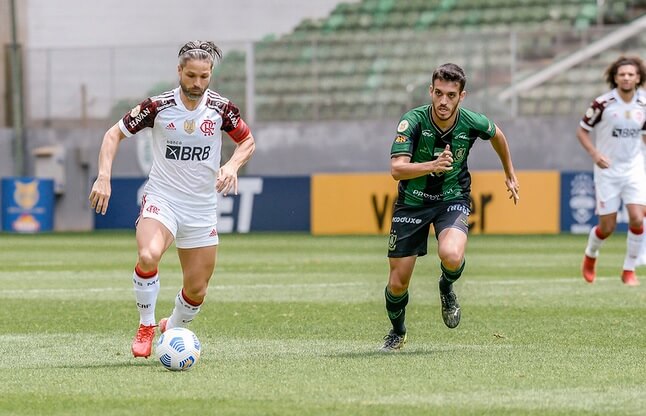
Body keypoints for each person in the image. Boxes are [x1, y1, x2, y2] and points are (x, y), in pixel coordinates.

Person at [89, 40, 255, 358]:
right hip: (162, 198)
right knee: (149, 255)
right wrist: (103, 176)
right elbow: (113, 134)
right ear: (179, 71)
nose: (197, 83)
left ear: (210, 74)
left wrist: (232, 164)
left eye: (204, 77)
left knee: (196, 290)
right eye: (191, 75)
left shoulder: (222, 109)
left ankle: (173, 328)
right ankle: (147, 325)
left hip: (202, 207)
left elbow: (247, 140)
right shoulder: (158, 106)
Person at [380, 63, 519, 352]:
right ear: (431, 91)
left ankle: (446, 286)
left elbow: (497, 135)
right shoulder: (413, 121)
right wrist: (432, 165)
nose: (444, 101)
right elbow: (396, 169)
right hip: (411, 204)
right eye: (439, 93)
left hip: (452, 199)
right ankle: (398, 331)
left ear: (461, 96)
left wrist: (509, 173)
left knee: (452, 255)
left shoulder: (471, 121)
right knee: (397, 284)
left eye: (451, 95)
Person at [577, 55, 646, 286]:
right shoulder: (602, 103)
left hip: (634, 168)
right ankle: (591, 255)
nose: (626, 78)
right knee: (607, 227)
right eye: (622, 74)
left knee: (637, 219)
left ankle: (628, 271)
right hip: (607, 170)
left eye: (631, 74)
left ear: (638, 78)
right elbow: (582, 131)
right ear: (615, 78)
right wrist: (595, 154)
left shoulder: (644, 103)